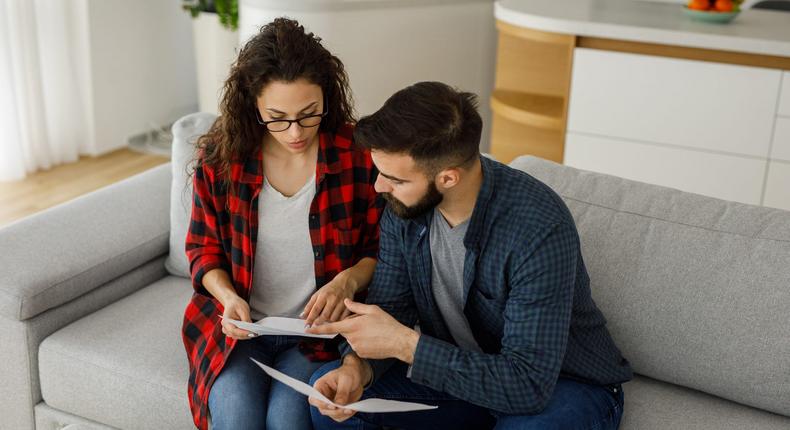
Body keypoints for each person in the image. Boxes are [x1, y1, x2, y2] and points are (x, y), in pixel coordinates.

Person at [306, 81, 633, 429]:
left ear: (447, 178)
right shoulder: (404, 210)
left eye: (395, 179)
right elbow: (392, 307)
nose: (378, 187)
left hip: (561, 386)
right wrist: (358, 369)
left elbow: (529, 385)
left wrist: (407, 345)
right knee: (332, 401)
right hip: (460, 378)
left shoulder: (538, 228)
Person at [181, 18, 383, 430]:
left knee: (286, 422)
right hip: (240, 332)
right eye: (277, 117)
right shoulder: (221, 158)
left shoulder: (356, 155)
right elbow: (203, 251)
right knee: (236, 417)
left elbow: (383, 252)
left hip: (318, 336)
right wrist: (227, 297)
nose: (295, 132)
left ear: (327, 97)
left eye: (309, 115)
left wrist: (346, 281)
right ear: (252, 104)